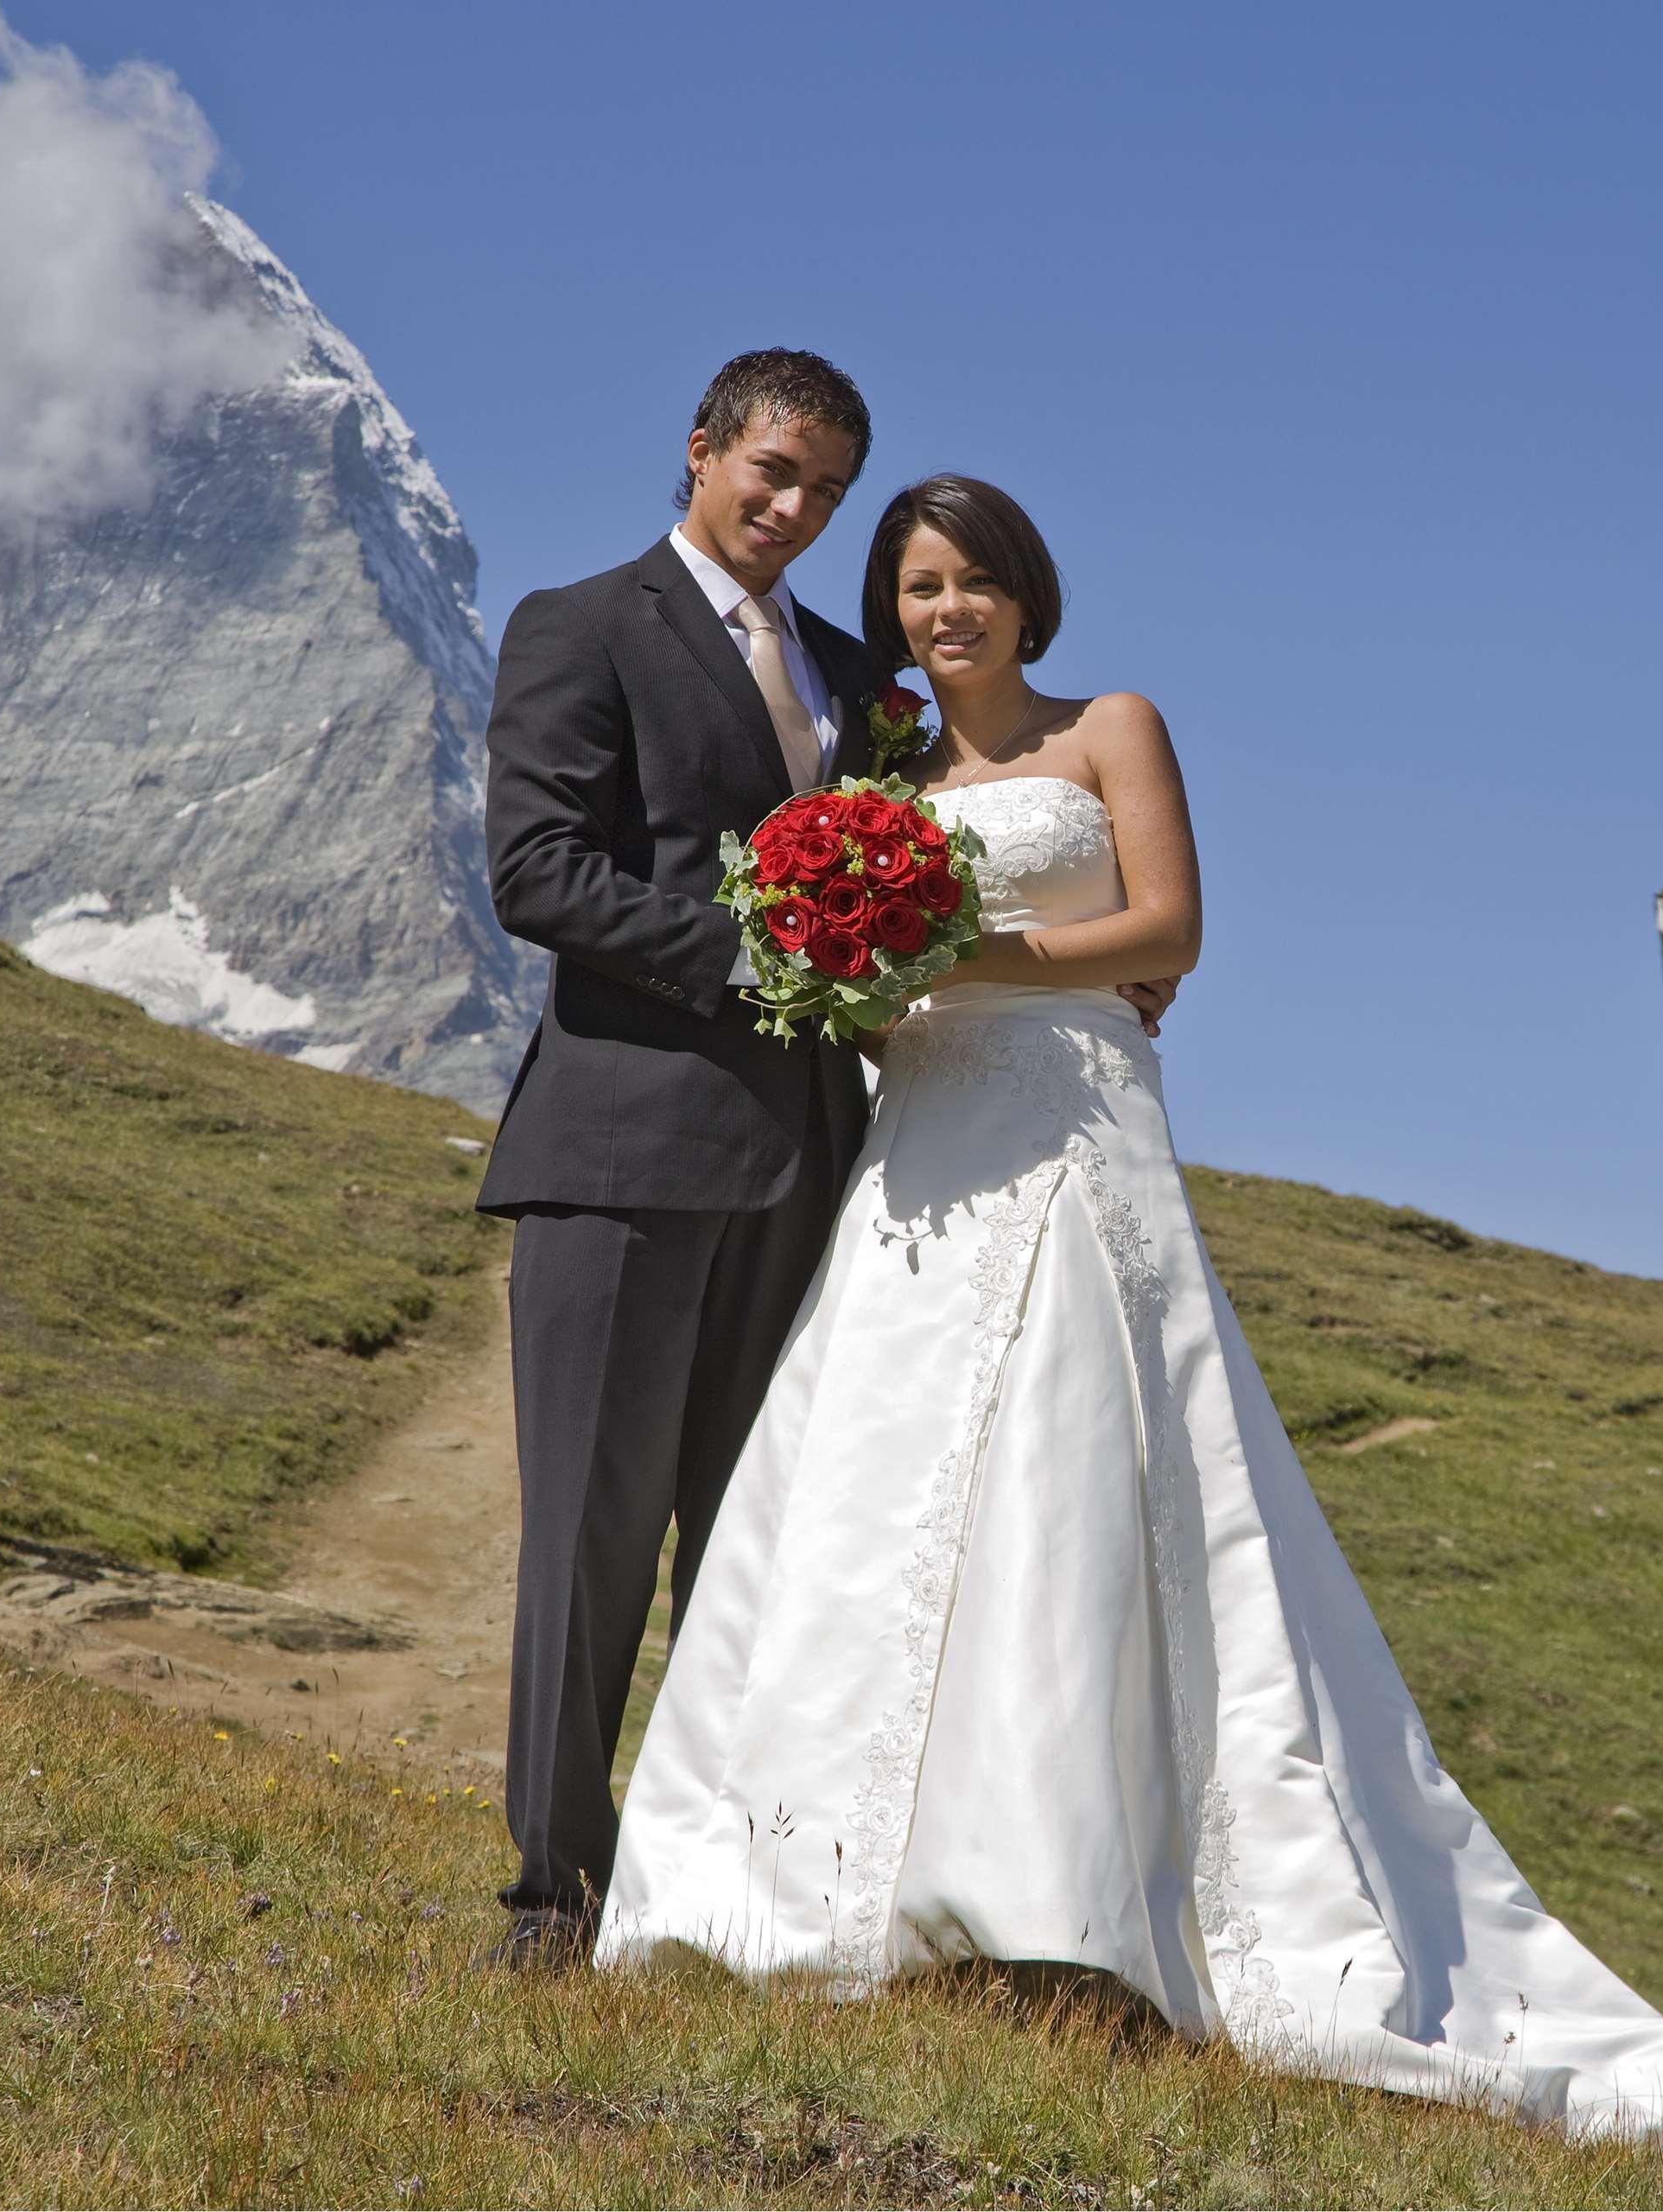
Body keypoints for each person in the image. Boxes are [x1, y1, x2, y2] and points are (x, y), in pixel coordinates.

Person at [596, 474, 1663, 2193]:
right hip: (924, 1154)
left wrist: (983, 948)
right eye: (916, 585)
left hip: (1077, 1133)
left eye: (970, 580)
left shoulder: (1115, 727)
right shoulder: (886, 779)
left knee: (1075, 1480)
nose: (943, 609)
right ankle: (828, 1888)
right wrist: (868, 964)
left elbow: (1169, 930)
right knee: (875, 1486)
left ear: (1030, 593)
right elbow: (849, 961)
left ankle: (1073, 1902)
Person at [473, 355, 1174, 1968]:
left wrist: (1092, 963)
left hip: (819, 1169)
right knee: (589, 1536)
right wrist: (771, 950)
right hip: (622, 1150)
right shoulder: (578, 627)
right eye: (774, 472)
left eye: (827, 490)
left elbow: (962, 862)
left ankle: (717, 1892)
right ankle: (551, 1896)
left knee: (761, 1547)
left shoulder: (869, 686)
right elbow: (540, 873)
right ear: (705, 451)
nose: (795, 507)